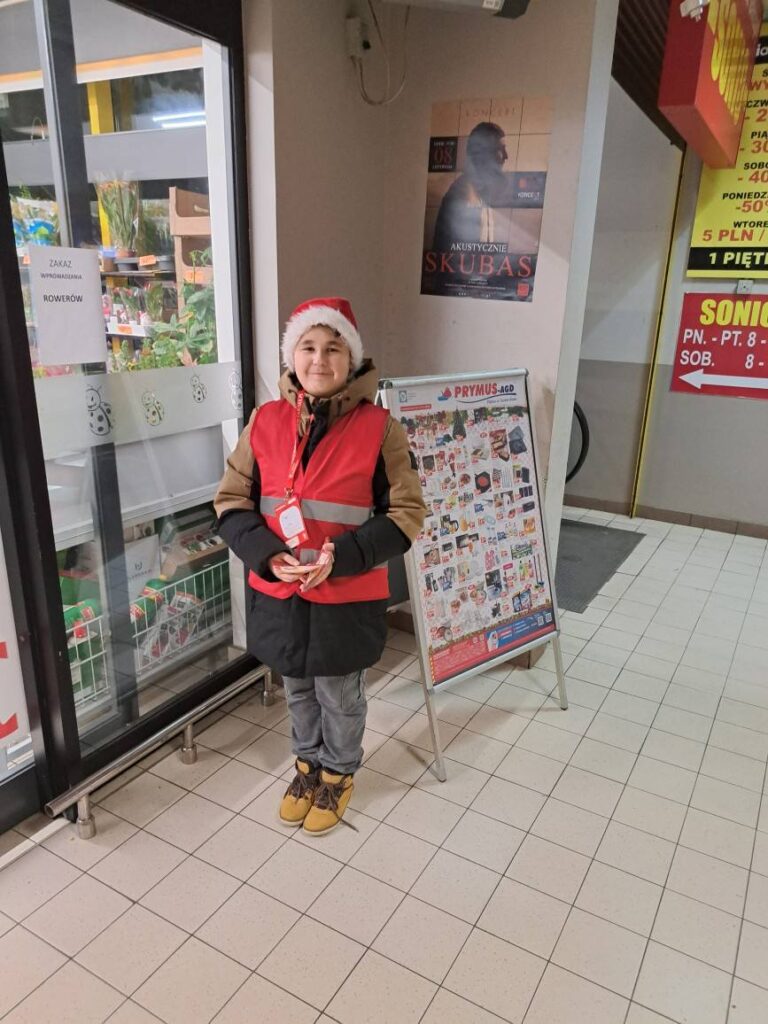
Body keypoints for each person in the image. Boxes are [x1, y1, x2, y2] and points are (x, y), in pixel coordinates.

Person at [214, 297, 427, 834]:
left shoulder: (380, 429)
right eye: (307, 346)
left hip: (345, 597)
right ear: (292, 356)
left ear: (350, 360)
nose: (318, 359)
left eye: (333, 348)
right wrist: (267, 554)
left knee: (340, 694)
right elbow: (231, 502)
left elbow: (406, 514)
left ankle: (338, 773)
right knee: (298, 688)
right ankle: (307, 766)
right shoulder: (265, 421)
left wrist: (343, 556)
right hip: (281, 594)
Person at [432, 121, 511, 251]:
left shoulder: (481, 191)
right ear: (484, 154)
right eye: (500, 149)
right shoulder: (463, 194)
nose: (506, 156)